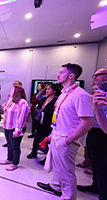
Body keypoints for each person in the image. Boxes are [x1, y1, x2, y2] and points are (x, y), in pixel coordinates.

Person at [37, 63, 93, 199]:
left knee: (67, 171)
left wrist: (68, 140)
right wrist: (52, 133)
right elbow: (58, 116)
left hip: (66, 139)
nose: (58, 75)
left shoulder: (81, 95)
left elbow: (87, 123)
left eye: (61, 72)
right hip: (56, 135)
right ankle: (56, 186)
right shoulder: (62, 94)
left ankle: (68, 197)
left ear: (71, 75)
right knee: (57, 166)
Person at [77, 68, 107, 200]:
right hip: (94, 131)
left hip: (103, 134)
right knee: (95, 162)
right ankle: (96, 186)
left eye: (98, 75)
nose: (95, 77)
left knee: (103, 165)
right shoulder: (96, 94)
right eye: (94, 75)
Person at [0, 86, 29, 171]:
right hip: (8, 126)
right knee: (9, 143)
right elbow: (5, 109)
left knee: (15, 146)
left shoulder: (22, 103)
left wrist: (17, 130)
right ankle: (9, 158)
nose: (10, 91)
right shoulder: (11, 100)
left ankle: (14, 163)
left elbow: (22, 117)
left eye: (12, 89)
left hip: (16, 128)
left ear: (17, 92)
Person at [27, 83, 60, 159]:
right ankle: (34, 152)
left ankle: (47, 158)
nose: (47, 90)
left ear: (54, 91)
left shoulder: (56, 100)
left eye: (49, 89)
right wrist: (43, 90)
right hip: (41, 121)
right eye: (46, 89)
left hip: (49, 123)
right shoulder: (45, 98)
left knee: (47, 140)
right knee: (37, 137)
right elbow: (37, 97)